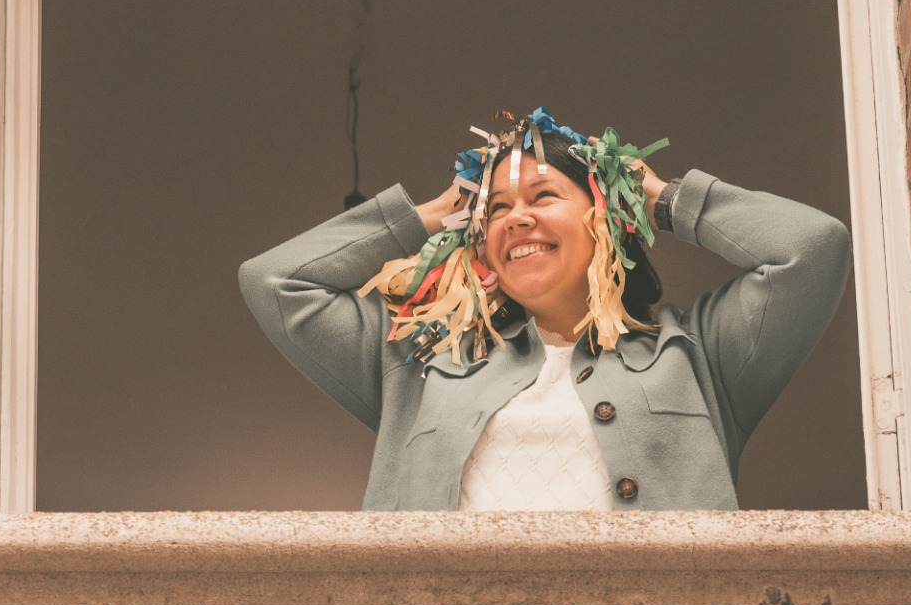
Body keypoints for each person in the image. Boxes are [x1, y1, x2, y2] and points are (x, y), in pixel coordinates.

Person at [239, 107, 850, 512]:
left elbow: (813, 249)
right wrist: (431, 214)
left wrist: (661, 198)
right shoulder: (419, 358)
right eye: (496, 209)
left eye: (543, 196)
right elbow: (274, 280)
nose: (517, 218)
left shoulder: (699, 354)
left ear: (604, 218)